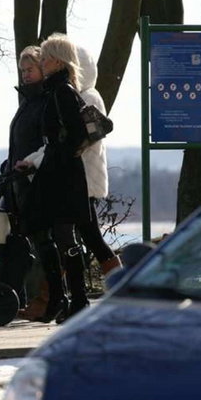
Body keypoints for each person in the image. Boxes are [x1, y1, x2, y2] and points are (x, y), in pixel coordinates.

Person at [15, 33, 91, 323]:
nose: (42, 62)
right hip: (58, 174)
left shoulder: (62, 92)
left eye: (45, 58)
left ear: (57, 61)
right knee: (58, 237)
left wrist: (56, 156)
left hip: (61, 177)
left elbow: (76, 136)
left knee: (63, 237)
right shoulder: (59, 90)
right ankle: (68, 299)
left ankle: (75, 299)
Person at [0, 46, 47, 309]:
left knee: (33, 241)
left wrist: (28, 165)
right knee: (13, 241)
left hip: (32, 182)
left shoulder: (43, 102)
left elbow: (44, 144)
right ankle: (9, 295)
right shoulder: (29, 102)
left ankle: (19, 296)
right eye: (23, 70)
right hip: (17, 180)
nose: (25, 75)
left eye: (30, 70)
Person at [74, 45, 122, 280]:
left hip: (83, 177)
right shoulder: (82, 95)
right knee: (85, 234)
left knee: (89, 234)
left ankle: (119, 280)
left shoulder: (87, 97)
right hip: (80, 177)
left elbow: (89, 136)